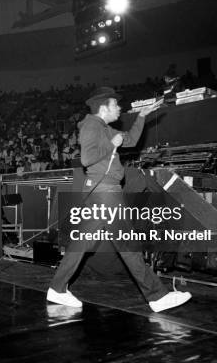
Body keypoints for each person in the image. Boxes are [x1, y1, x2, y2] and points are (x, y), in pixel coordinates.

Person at [46, 86, 192, 312]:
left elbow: (131, 140)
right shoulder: (92, 126)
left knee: (82, 242)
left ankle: (57, 288)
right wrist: (110, 144)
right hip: (105, 192)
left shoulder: (105, 127)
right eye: (116, 104)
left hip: (102, 192)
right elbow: (86, 158)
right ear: (104, 107)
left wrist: (142, 116)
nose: (120, 108)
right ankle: (157, 296)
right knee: (127, 244)